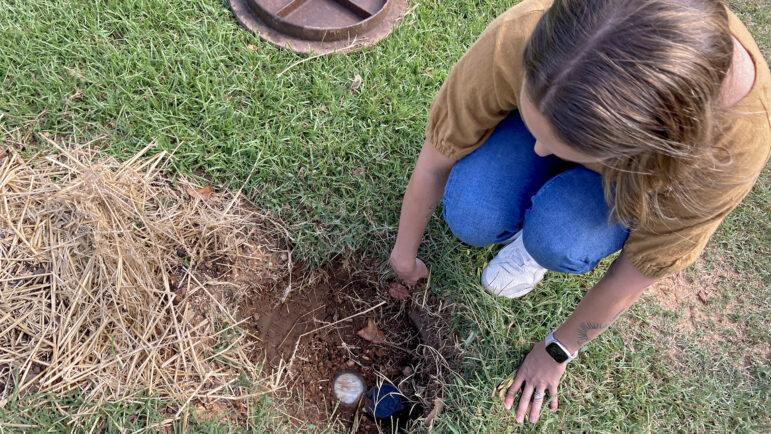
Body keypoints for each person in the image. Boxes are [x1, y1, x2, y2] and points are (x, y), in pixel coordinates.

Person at [389, 0, 770, 424]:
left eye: (556, 145)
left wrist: (558, 350)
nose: (538, 151)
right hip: (584, 128)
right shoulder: (527, 36)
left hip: (626, 175)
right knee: (471, 214)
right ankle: (543, 145)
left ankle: (538, 241)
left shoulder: (723, 154)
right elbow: (435, 159)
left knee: (559, 236)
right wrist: (403, 256)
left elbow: (633, 276)